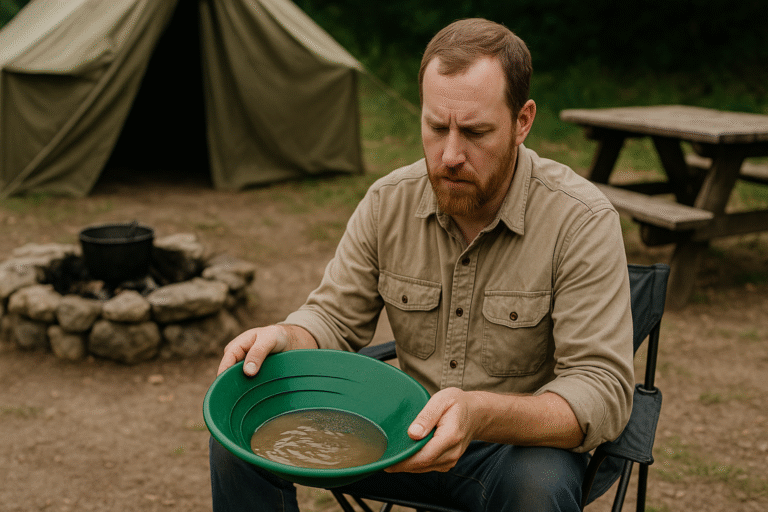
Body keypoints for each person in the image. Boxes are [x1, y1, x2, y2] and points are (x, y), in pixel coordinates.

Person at [210, 18, 634, 511]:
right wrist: (284, 336)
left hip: (512, 453)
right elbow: (331, 319)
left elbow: (601, 392)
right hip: (395, 439)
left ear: (523, 121)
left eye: (475, 131)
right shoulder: (388, 201)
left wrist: (477, 414)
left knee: (537, 486)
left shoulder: (580, 220)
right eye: (436, 127)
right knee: (237, 433)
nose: (450, 154)